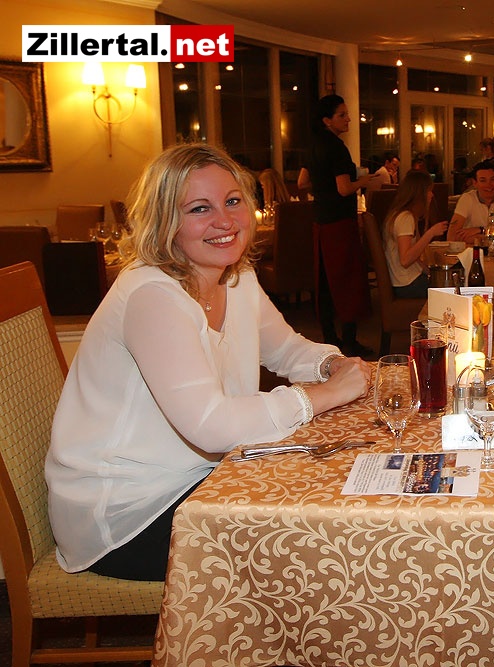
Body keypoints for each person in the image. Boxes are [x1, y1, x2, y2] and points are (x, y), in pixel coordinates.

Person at [44, 143, 371, 581]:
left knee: (328, 493)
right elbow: (211, 426)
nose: (225, 220)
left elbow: (286, 349)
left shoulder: (236, 276)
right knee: (313, 542)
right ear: (164, 221)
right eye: (199, 208)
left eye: (233, 201)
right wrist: (324, 395)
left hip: (199, 476)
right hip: (128, 513)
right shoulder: (152, 295)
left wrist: (334, 366)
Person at [306, 94, 374, 357]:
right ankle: (349, 340)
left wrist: (321, 188)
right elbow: (344, 188)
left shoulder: (313, 145)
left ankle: (328, 336)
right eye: (342, 115)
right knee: (348, 280)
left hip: (320, 220)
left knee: (324, 280)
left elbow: (302, 182)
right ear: (327, 120)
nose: (348, 119)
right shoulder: (336, 147)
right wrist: (366, 181)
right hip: (340, 221)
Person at [383, 169, 450, 298]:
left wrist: (430, 272)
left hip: (405, 280)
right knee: (452, 288)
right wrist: (430, 233)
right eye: (429, 191)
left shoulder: (403, 215)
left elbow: (415, 259)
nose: (431, 195)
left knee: (446, 281)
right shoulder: (405, 218)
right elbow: (405, 260)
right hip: (407, 284)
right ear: (419, 194)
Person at [447, 160, 494, 243]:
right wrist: (492, 236)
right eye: (483, 180)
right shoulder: (467, 198)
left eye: (493, 179)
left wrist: (480, 231)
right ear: (475, 183)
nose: (489, 185)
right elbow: (451, 236)